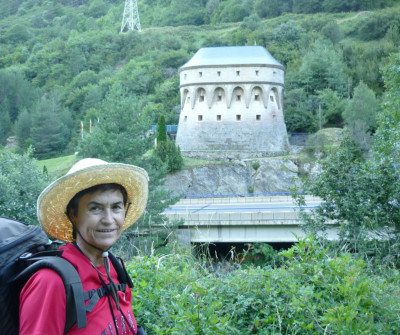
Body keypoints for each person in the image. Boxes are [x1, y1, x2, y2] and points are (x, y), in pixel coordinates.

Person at [19, 158, 149, 335]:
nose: (109, 219)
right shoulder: (51, 282)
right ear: (73, 214)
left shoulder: (113, 269)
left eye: (116, 207)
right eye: (95, 208)